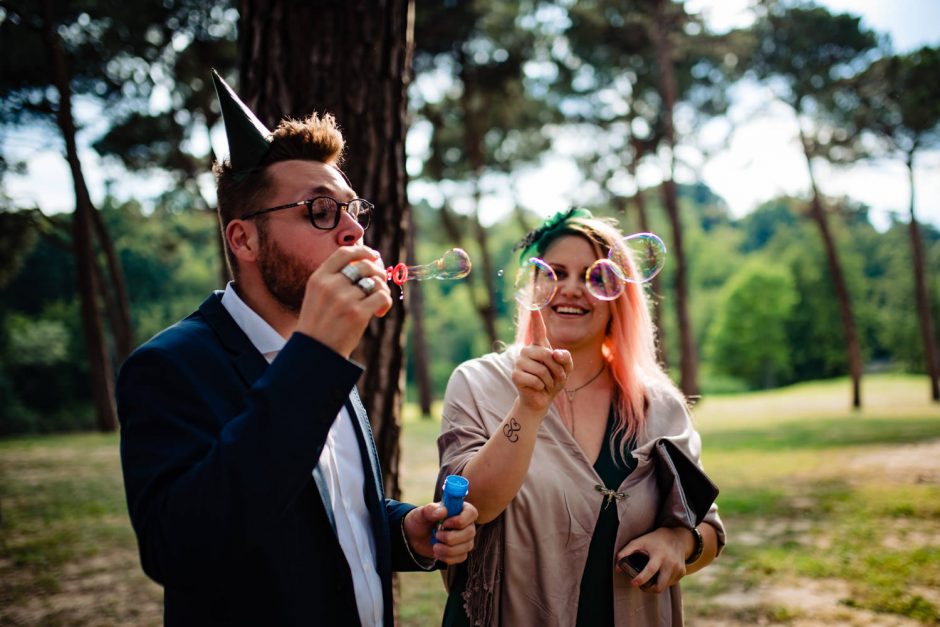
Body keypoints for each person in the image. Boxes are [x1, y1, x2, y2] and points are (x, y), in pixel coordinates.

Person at [117, 71, 477, 627]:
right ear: (245, 240)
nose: (353, 229)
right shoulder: (171, 367)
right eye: (320, 210)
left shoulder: (319, 359)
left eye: (352, 209)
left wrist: (401, 531)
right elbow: (181, 549)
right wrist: (315, 357)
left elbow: (324, 512)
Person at [436, 209, 725, 626]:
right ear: (532, 287)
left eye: (595, 276)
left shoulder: (657, 405)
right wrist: (529, 407)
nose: (571, 289)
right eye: (553, 273)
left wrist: (678, 542)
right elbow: (471, 506)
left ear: (620, 297)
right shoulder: (479, 384)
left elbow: (709, 528)